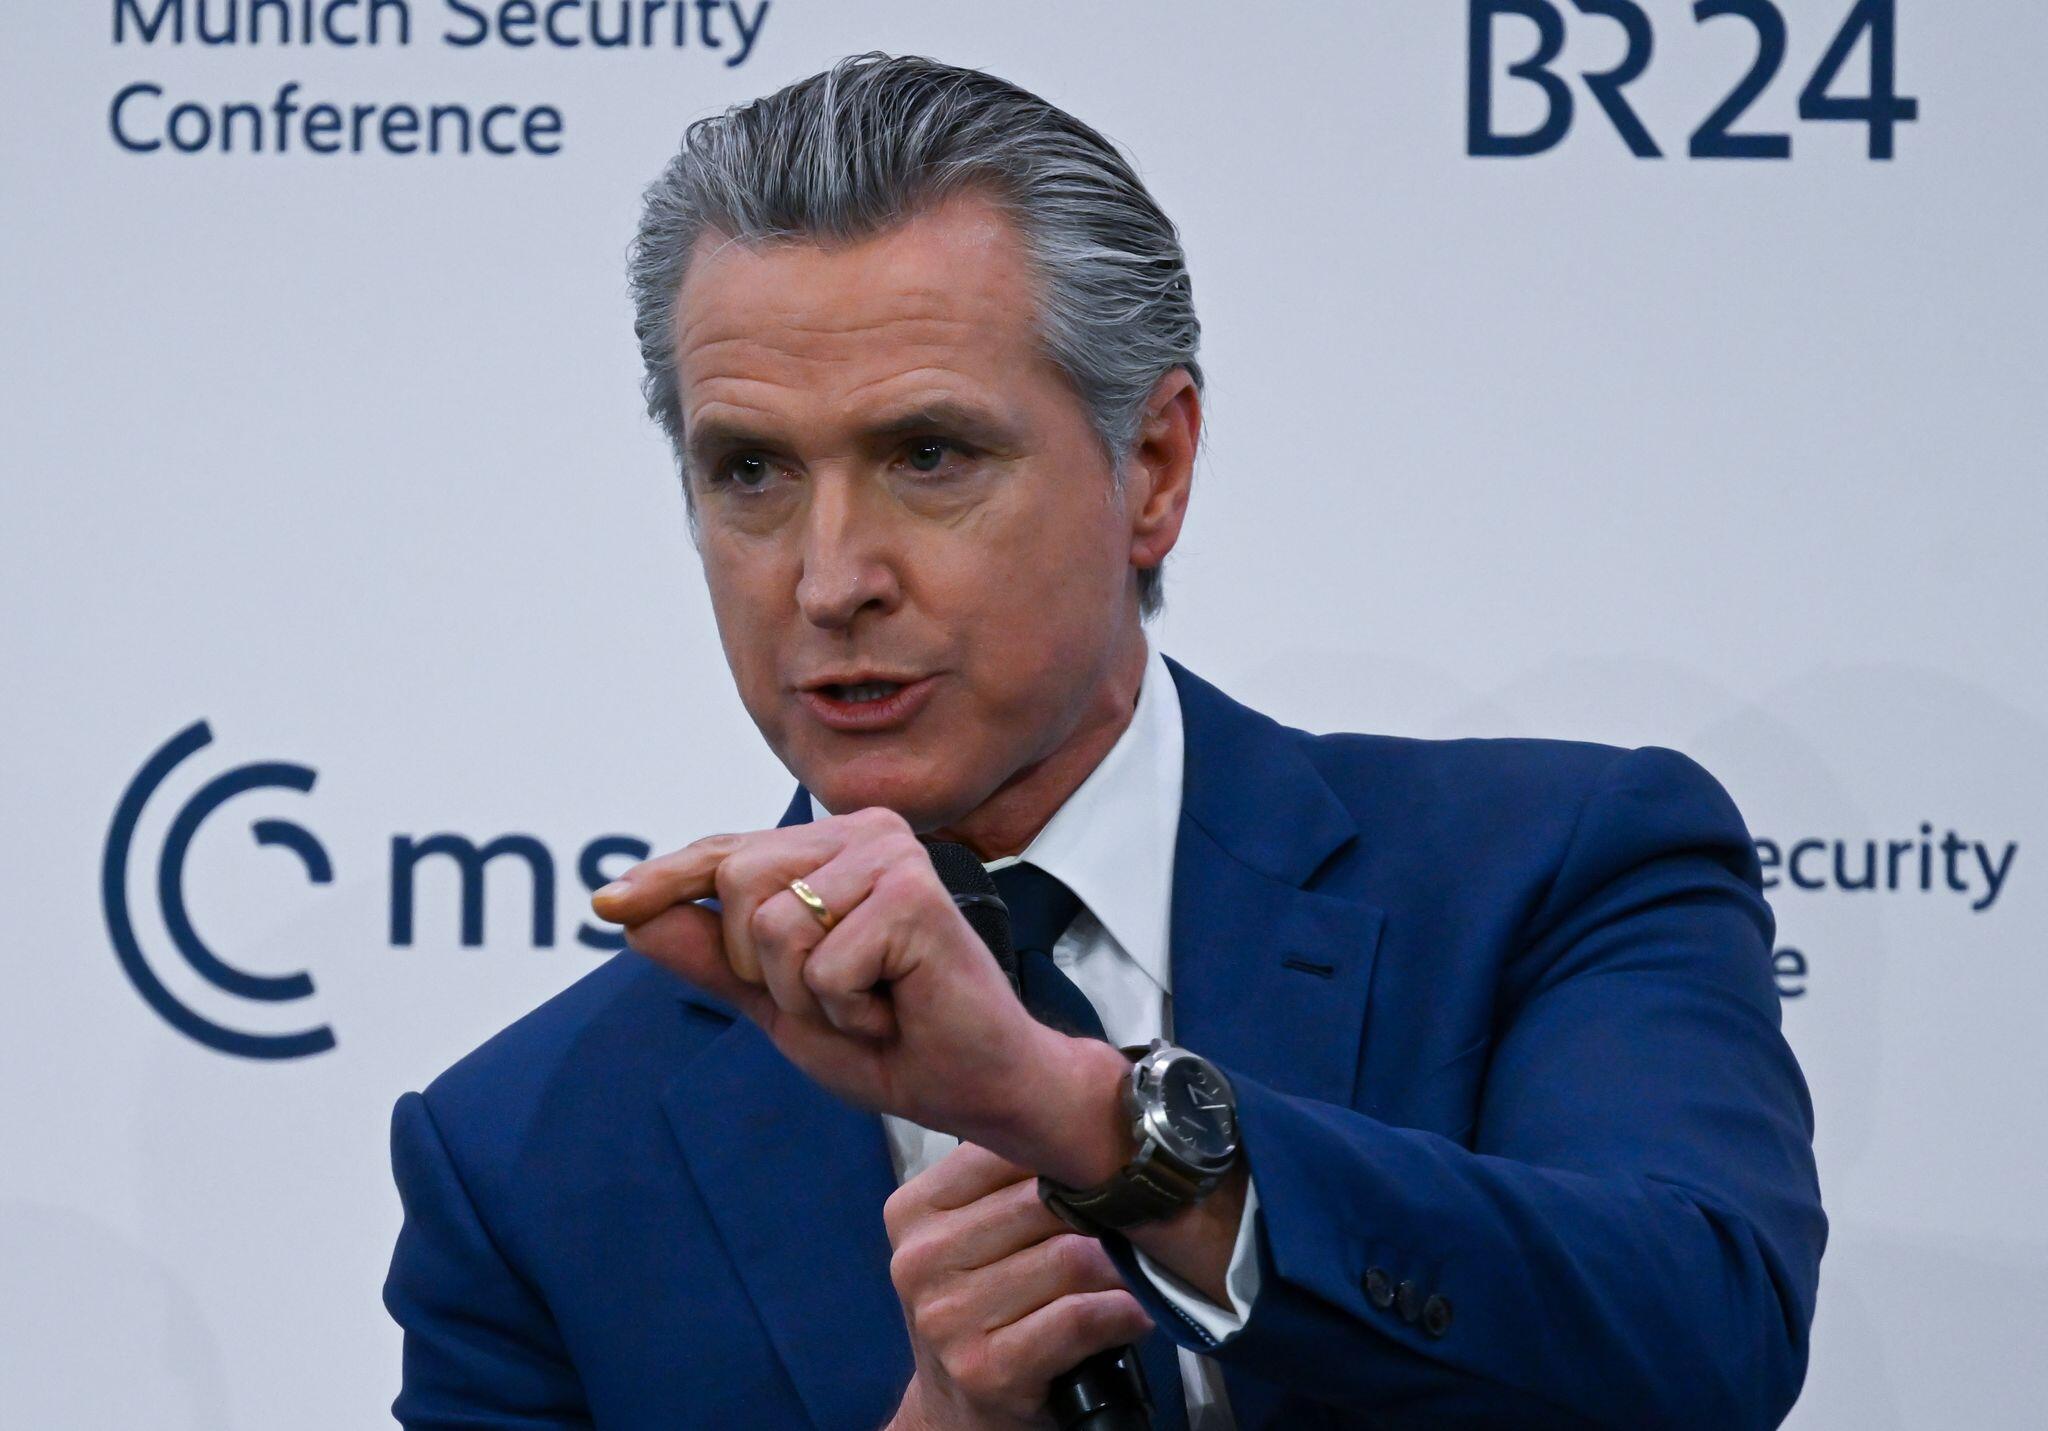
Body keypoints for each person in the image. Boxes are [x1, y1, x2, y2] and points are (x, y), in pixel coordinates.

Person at [382, 53, 1825, 1430]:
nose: (829, 582)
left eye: (928, 455)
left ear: (1154, 466)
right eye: (751, 470)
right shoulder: (522, 1155)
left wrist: (1085, 1117)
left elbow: (1702, 1339)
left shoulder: (1549, 874)